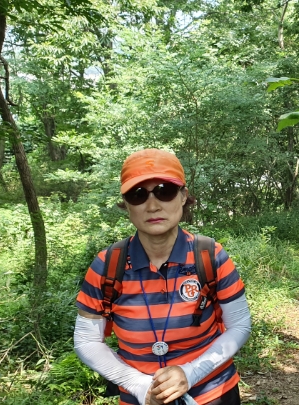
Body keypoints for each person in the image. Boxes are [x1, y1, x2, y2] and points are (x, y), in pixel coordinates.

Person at [73, 149, 251, 405]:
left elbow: (240, 325)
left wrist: (190, 373)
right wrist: (140, 386)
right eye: (138, 194)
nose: (153, 205)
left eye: (164, 191)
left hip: (213, 394)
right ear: (126, 204)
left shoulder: (210, 255)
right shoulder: (107, 266)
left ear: (183, 196)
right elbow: (87, 340)